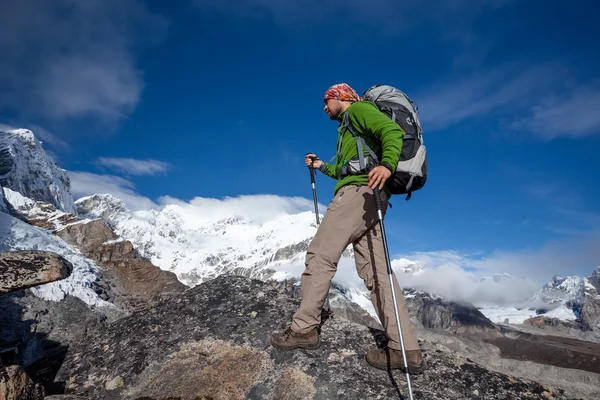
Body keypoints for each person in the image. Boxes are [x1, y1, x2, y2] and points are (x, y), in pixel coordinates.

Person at [270, 83, 426, 373]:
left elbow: (391, 132)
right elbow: (346, 169)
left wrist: (388, 165)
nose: (324, 107)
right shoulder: (350, 129)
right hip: (372, 198)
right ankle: (405, 350)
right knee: (378, 274)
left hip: (357, 195)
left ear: (340, 97)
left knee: (320, 255)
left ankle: (304, 329)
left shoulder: (358, 111)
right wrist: (320, 166)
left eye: (326, 101)